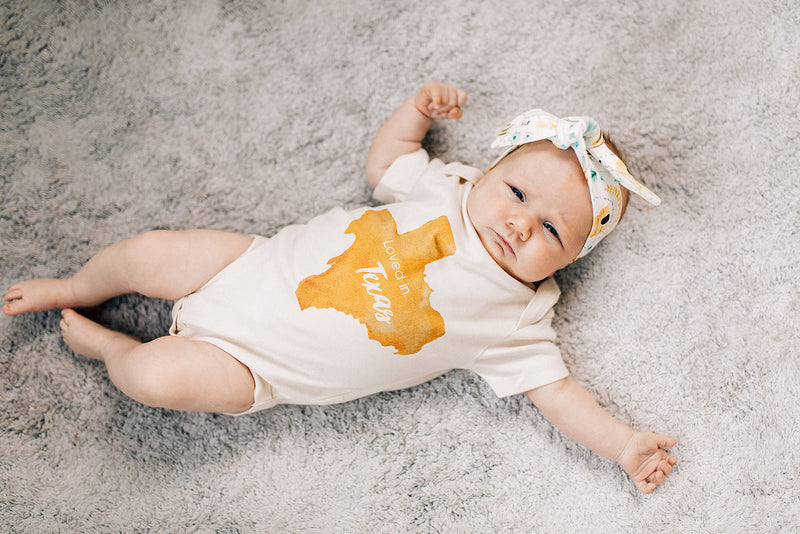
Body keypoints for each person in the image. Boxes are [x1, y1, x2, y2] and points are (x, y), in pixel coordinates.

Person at [3, 82, 677, 493]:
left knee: (153, 376)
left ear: (568, 259)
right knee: (148, 253)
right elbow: (388, 162)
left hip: (255, 369)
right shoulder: (446, 186)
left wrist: (622, 444)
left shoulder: (518, 318)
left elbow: (558, 394)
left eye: (552, 230)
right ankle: (75, 284)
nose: (520, 223)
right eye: (517, 192)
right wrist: (415, 111)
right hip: (244, 266)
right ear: (490, 171)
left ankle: (109, 348)